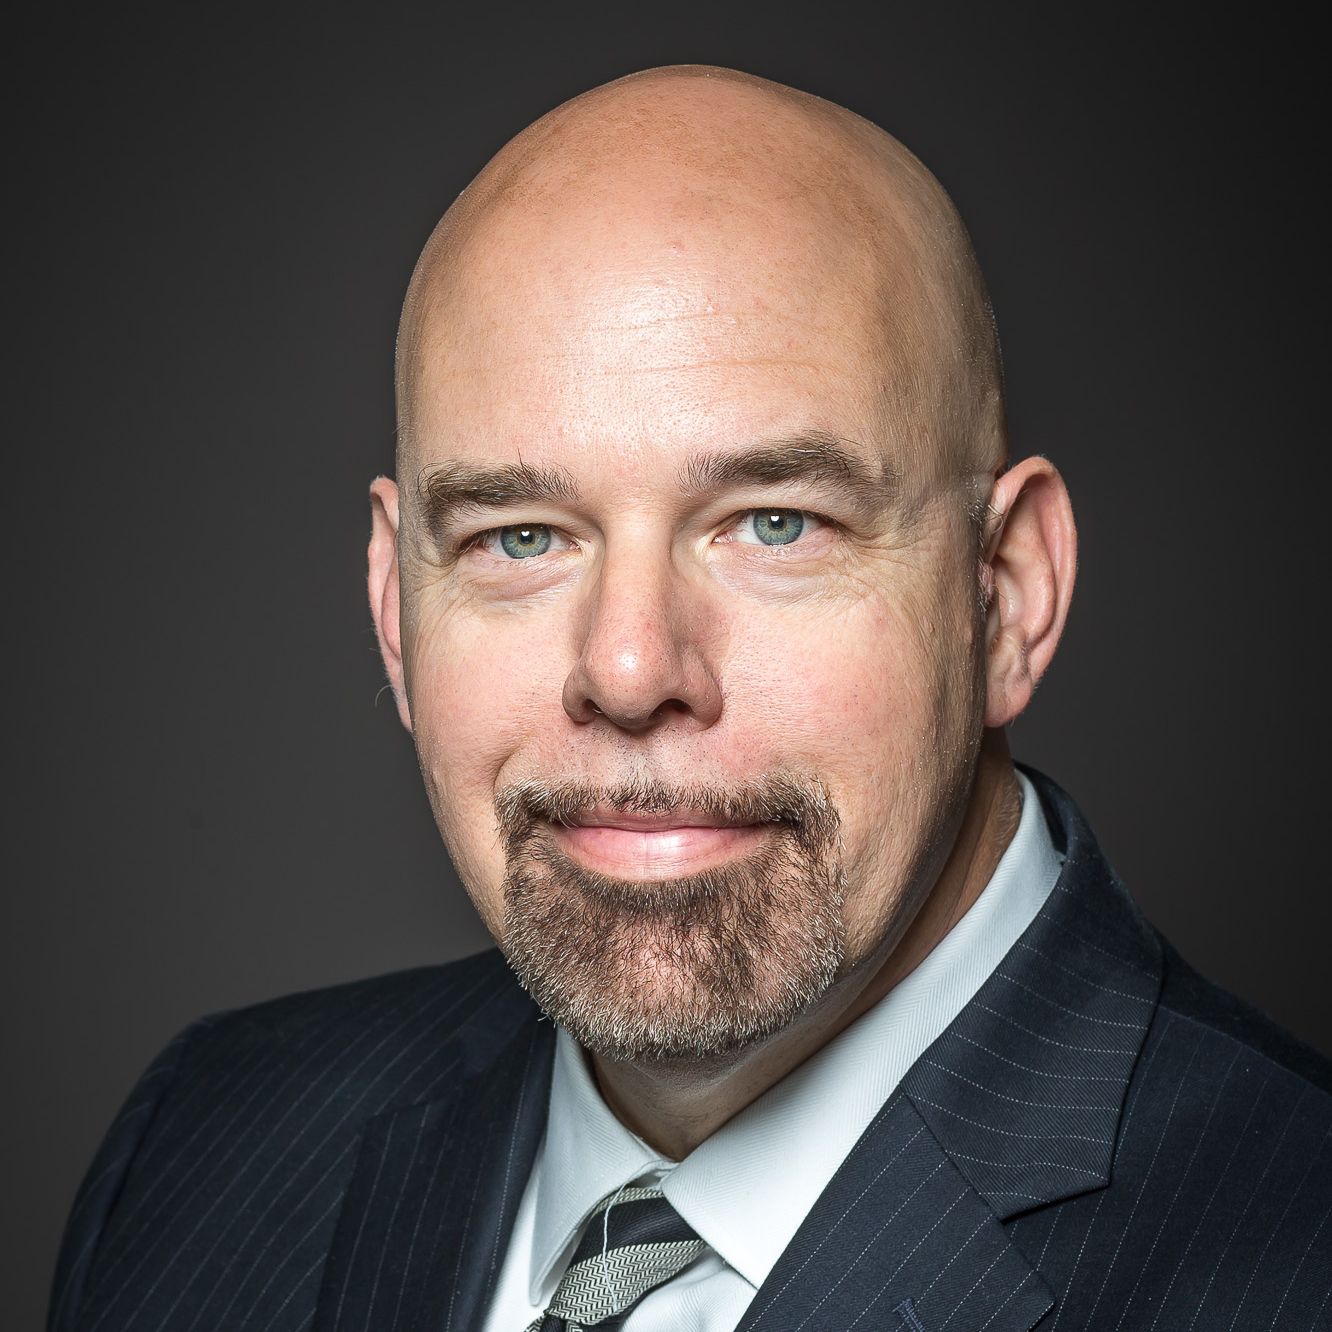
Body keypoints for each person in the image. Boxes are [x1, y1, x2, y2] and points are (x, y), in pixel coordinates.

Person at [50, 65, 1331, 1332]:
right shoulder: (201, 1146)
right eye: (519, 537)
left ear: (1005, 594)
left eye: (776, 523)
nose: (628, 670)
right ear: (396, 612)